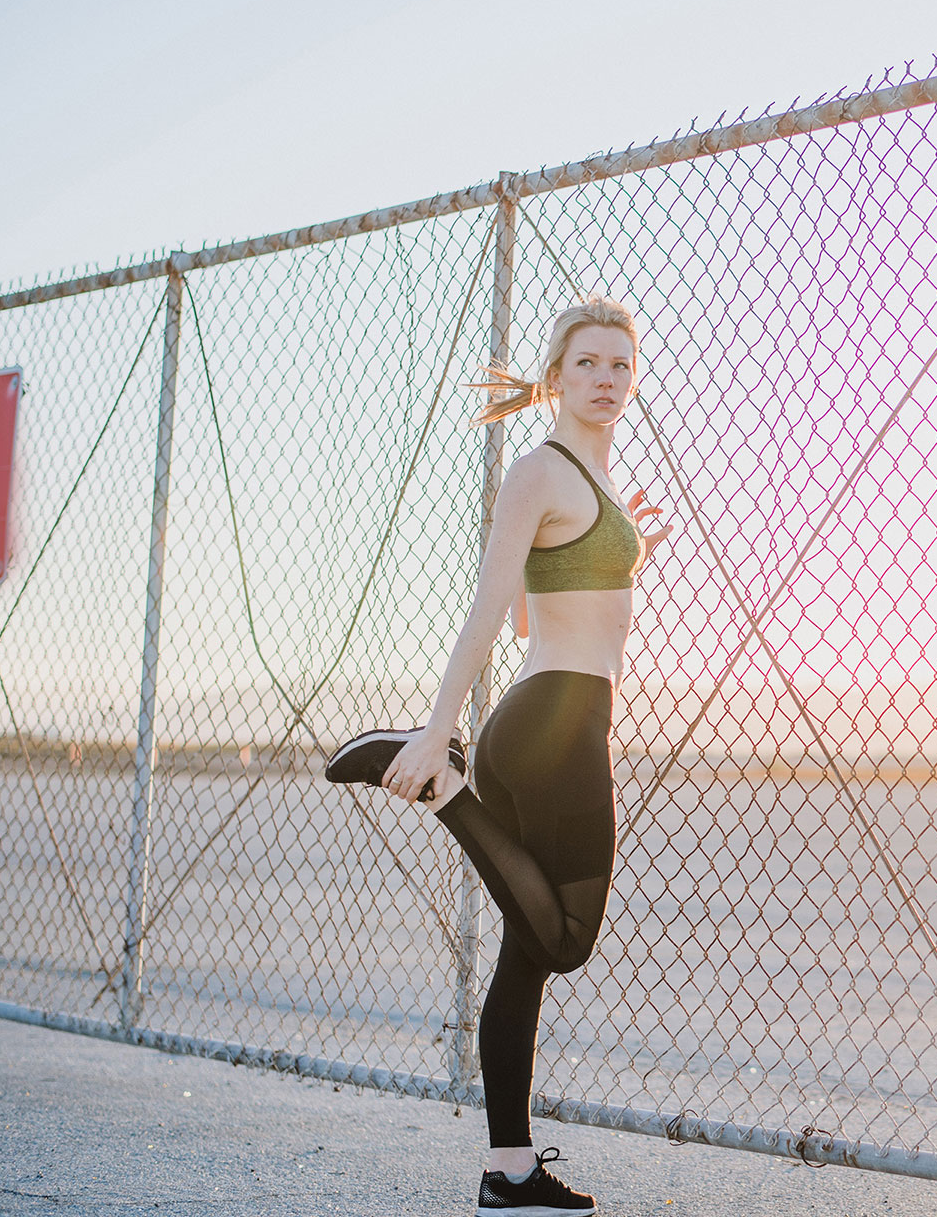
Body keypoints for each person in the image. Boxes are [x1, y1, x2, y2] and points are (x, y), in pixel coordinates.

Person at [325, 296, 673, 1216]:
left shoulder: (591, 482)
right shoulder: (540, 472)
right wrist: (442, 727)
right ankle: (441, 788)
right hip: (551, 717)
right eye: (589, 364)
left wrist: (621, 550)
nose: (607, 381)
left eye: (621, 367)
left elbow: (535, 604)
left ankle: (507, 1172)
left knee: (525, 953)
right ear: (554, 376)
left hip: (561, 710)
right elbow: (491, 611)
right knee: (566, 942)